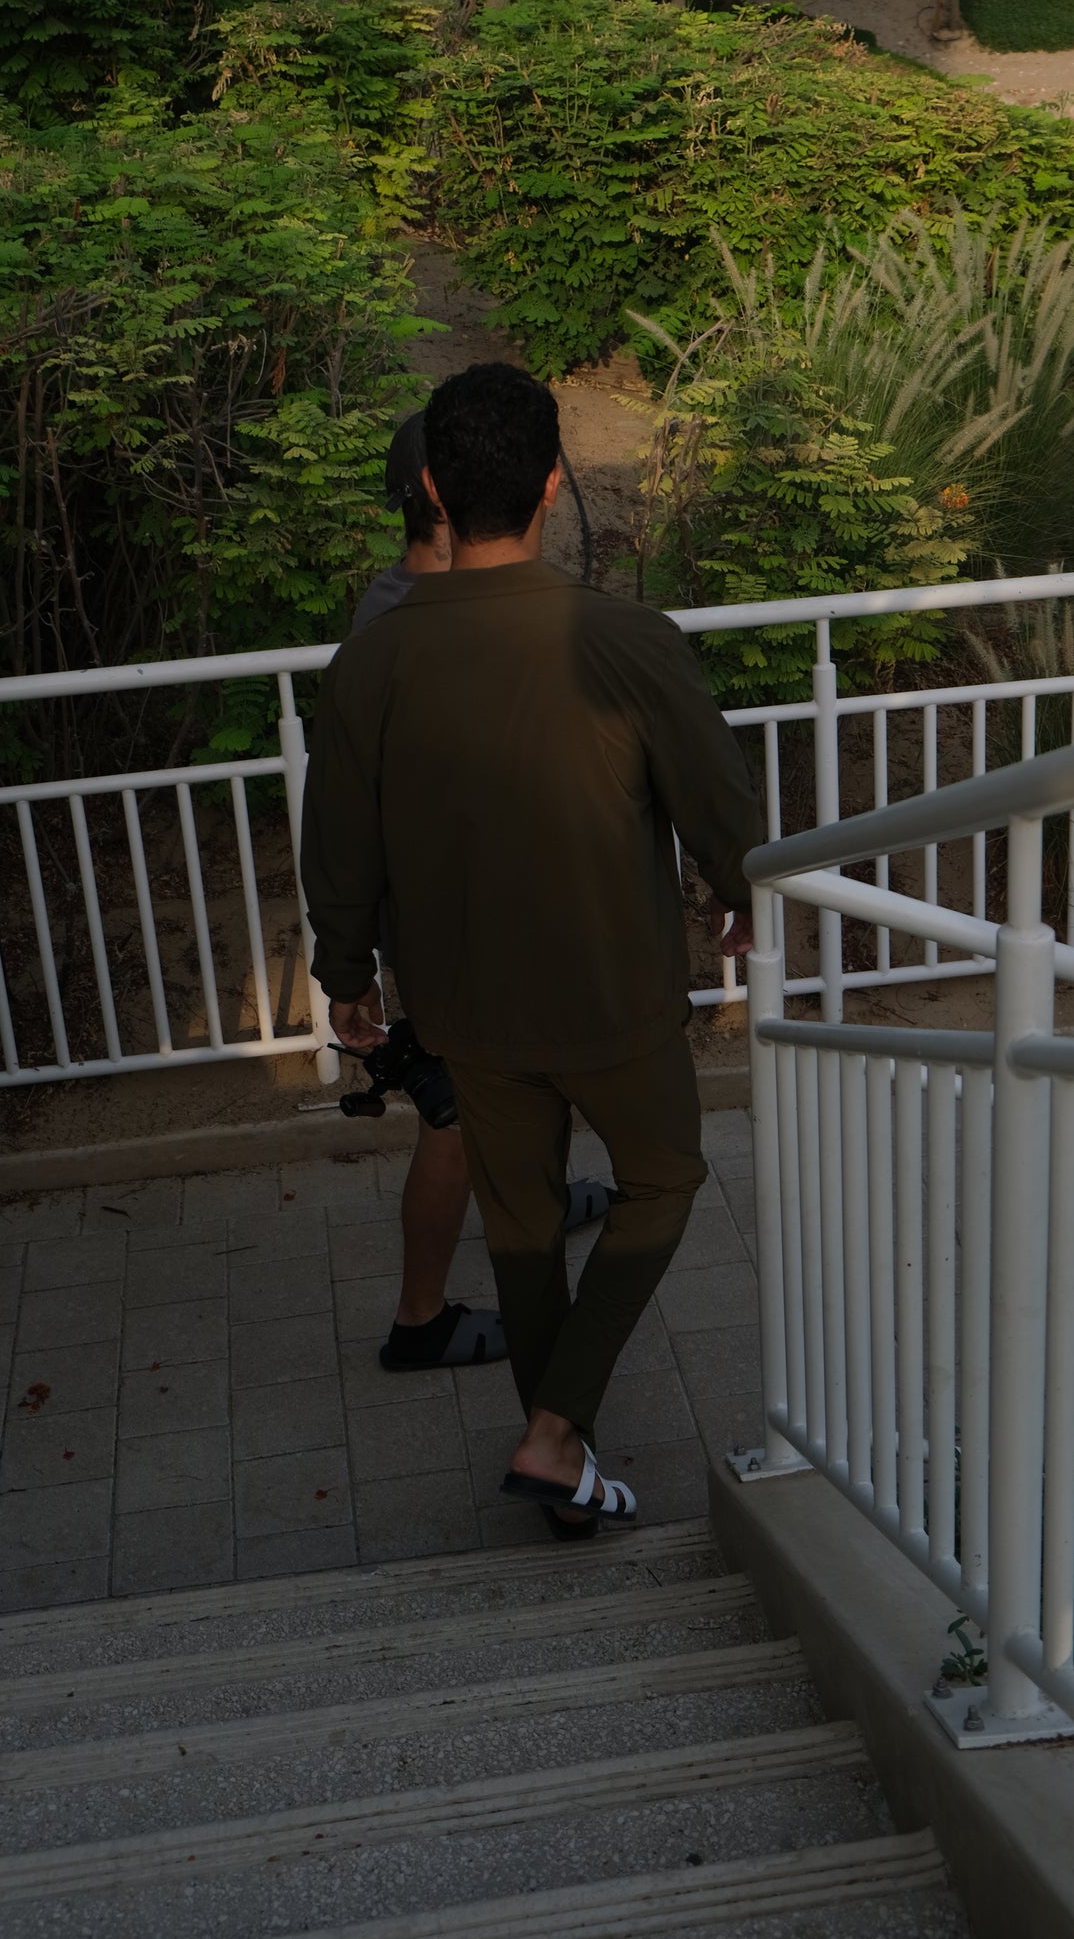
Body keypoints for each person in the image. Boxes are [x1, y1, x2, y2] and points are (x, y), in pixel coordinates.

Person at [302, 363, 762, 1534]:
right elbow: (715, 796)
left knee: (520, 1223)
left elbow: (339, 842)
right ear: (554, 485)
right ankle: (557, 1435)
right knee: (664, 1180)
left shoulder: (372, 663)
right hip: (614, 995)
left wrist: (345, 978)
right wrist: (742, 891)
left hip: (466, 1009)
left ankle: (560, 1453)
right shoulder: (625, 638)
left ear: (433, 493)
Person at [347, 411, 614, 1377]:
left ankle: (540, 1196)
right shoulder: (401, 625)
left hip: (502, 905)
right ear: (440, 491)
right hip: (454, 925)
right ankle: (418, 1320)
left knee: (533, 1069)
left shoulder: (433, 600)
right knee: (456, 1114)